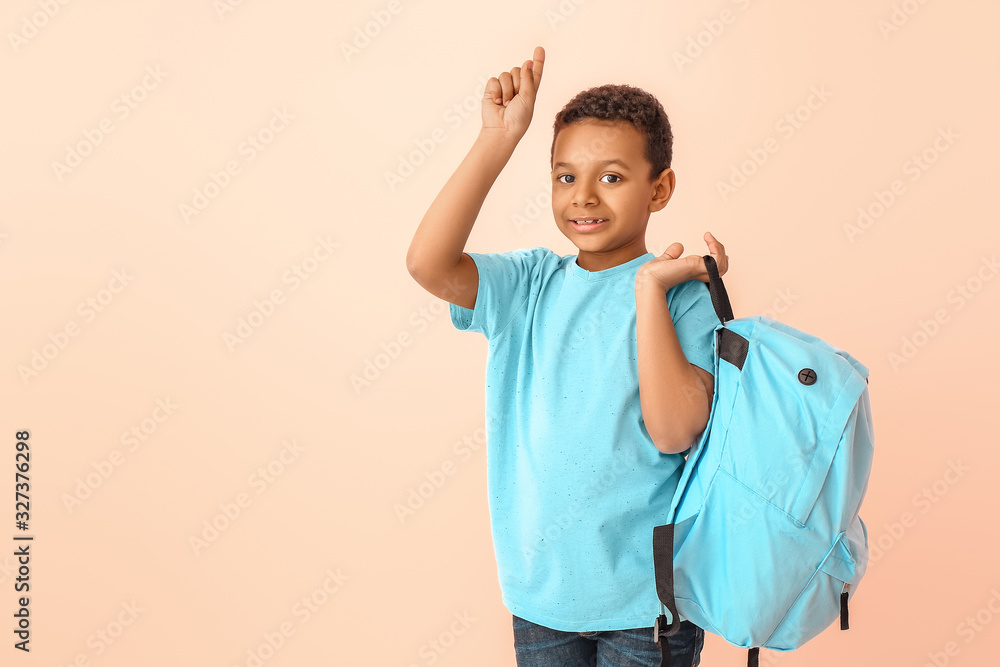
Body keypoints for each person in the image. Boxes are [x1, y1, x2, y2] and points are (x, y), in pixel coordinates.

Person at [406, 45, 729, 667]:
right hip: (541, 597)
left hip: (648, 607)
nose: (583, 197)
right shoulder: (529, 285)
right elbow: (428, 263)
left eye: (611, 177)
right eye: (565, 176)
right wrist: (498, 139)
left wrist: (649, 290)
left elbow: (674, 429)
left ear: (658, 189)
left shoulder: (683, 293)